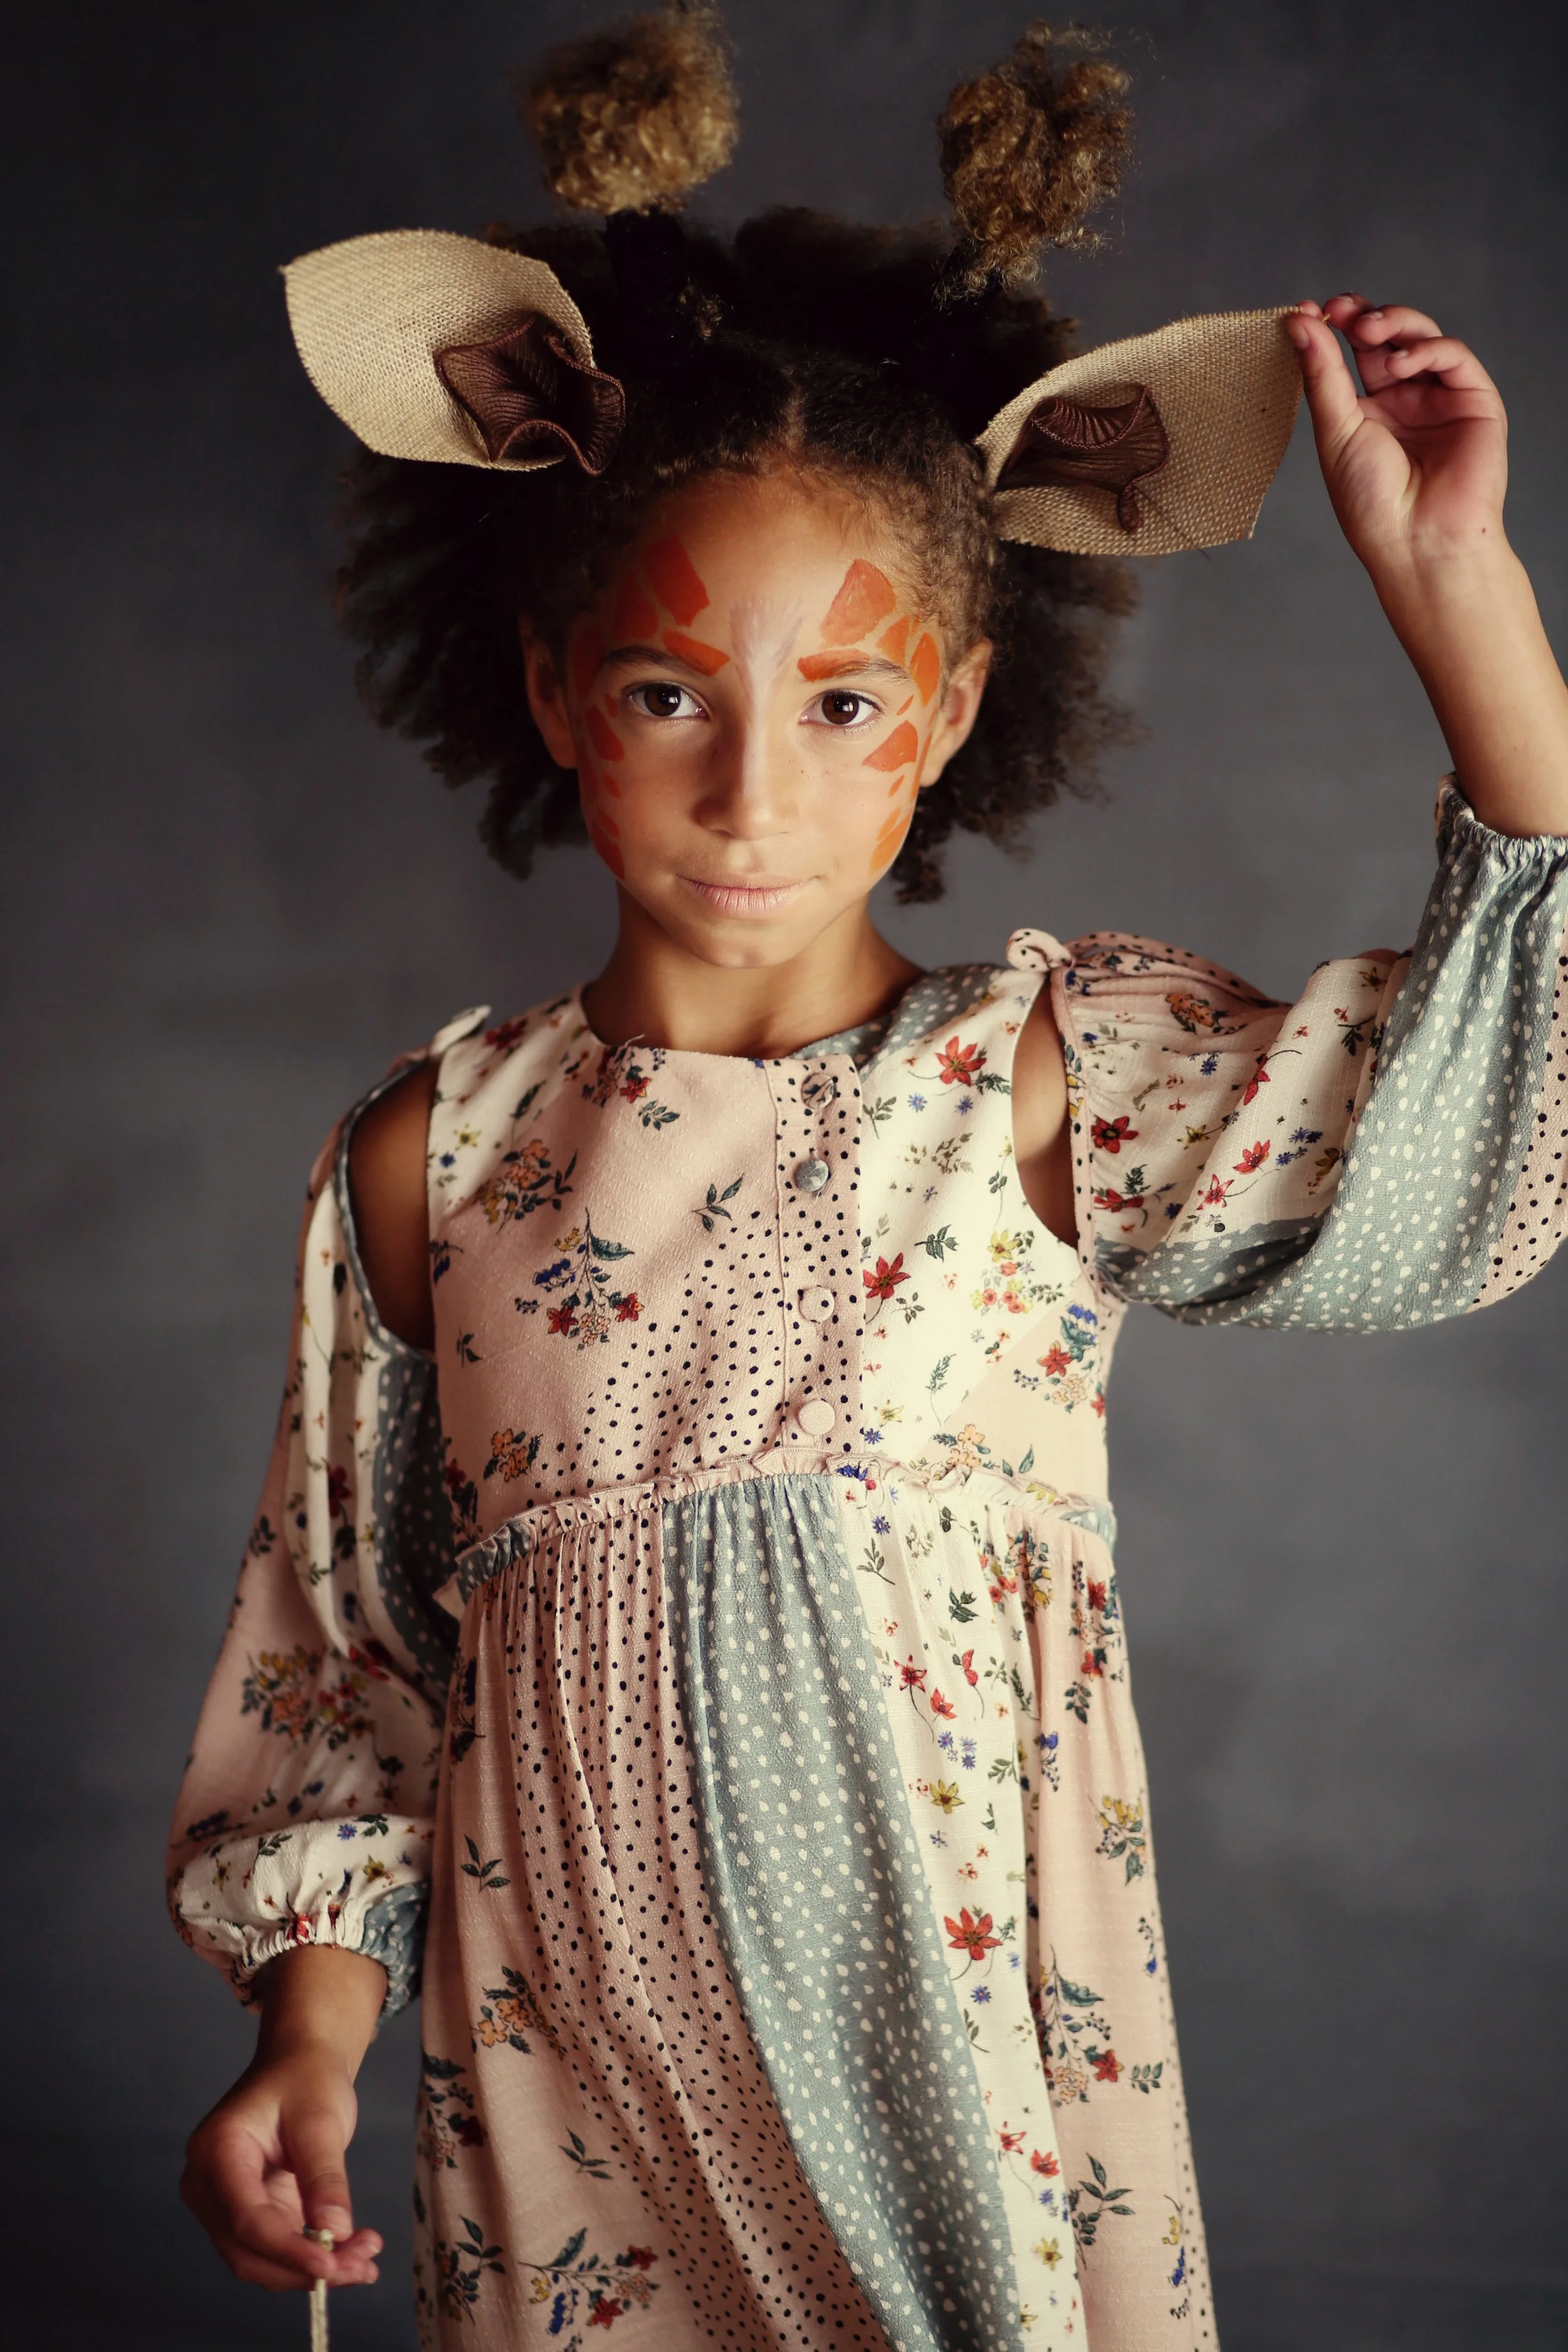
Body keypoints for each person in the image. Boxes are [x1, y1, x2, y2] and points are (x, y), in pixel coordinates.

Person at [168, 11, 1568, 2348]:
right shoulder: (435, 1153)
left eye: (841, 704)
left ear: (944, 717)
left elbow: (1483, 1130)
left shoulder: (1044, 1073)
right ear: (546, 691)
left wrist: (1454, 586)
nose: (751, 793)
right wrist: (299, 2041)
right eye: (665, 695)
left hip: (954, 2081)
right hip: (560, 2102)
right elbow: (343, 1677)